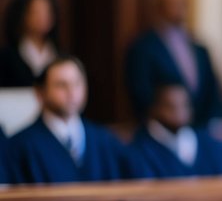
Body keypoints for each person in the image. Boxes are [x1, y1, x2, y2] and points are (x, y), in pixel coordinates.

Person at [7, 56, 146, 183]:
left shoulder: (103, 139)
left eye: (77, 83)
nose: (72, 92)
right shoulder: (19, 147)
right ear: (40, 93)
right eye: (61, 85)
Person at [125, 0, 222, 127]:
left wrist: (215, 121)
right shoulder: (143, 48)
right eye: (173, 4)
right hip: (161, 128)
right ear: (159, 8)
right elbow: (141, 91)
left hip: (200, 129)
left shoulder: (199, 47)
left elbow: (212, 88)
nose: (179, 9)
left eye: (183, 3)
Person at [128, 82, 222, 178]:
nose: (179, 113)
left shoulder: (210, 145)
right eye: (171, 107)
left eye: (184, 105)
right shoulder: (141, 150)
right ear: (155, 109)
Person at [0, 0, 61, 87]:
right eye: (36, 12)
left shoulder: (59, 53)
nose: (43, 17)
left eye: (47, 11)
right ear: (22, 15)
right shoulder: (7, 56)